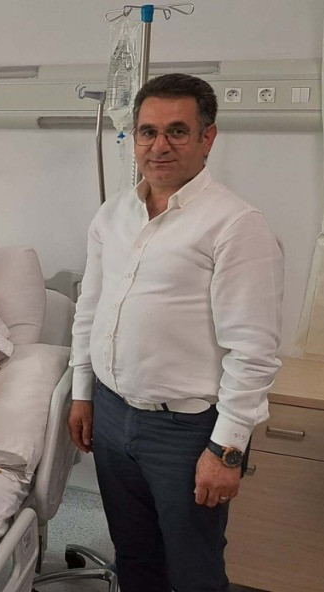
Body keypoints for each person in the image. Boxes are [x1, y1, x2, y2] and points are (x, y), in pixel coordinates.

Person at [68, 73, 284, 592]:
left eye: (177, 131)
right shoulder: (113, 215)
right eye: (147, 131)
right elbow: (90, 308)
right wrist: (82, 392)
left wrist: (227, 449)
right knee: (134, 555)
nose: (159, 145)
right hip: (112, 413)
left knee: (193, 568)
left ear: (208, 137)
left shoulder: (235, 224)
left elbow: (252, 350)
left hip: (186, 431)